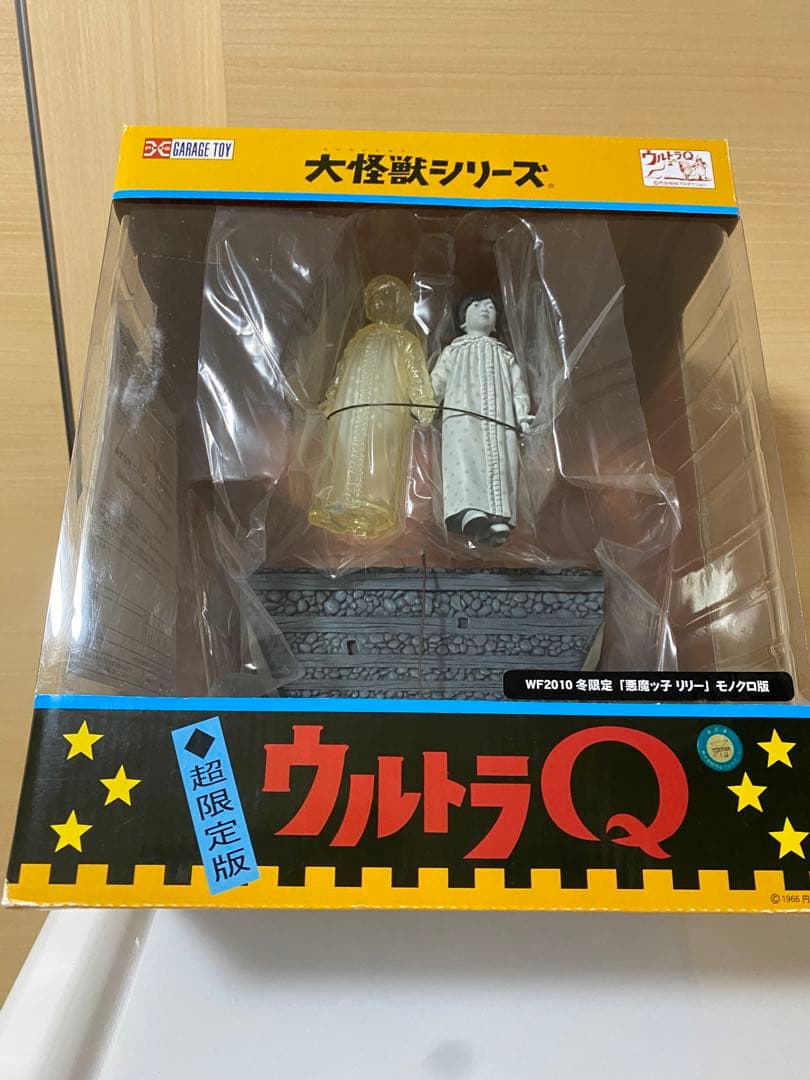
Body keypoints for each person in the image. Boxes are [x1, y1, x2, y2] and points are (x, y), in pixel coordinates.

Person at [309, 275, 435, 539]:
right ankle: (340, 499)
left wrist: (424, 404)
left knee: (381, 451)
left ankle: (375, 502)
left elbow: (416, 375)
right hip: (351, 403)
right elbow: (342, 369)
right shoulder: (360, 337)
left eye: (389, 298)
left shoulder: (405, 340)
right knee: (344, 447)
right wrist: (332, 399)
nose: (381, 303)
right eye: (376, 298)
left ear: (402, 305)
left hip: (385, 405)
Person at [430, 293, 533, 545]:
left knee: (502, 461)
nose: (485, 309)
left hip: (500, 420)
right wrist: (426, 405)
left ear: (496, 324)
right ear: (463, 321)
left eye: (490, 307)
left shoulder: (505, 355)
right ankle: (469, 512)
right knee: (464, 460)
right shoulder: (454, 351)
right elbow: (437, 380)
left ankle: (498, 517)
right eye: (476, 306)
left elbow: (518, 389)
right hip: (462, 417)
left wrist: (522, 415)